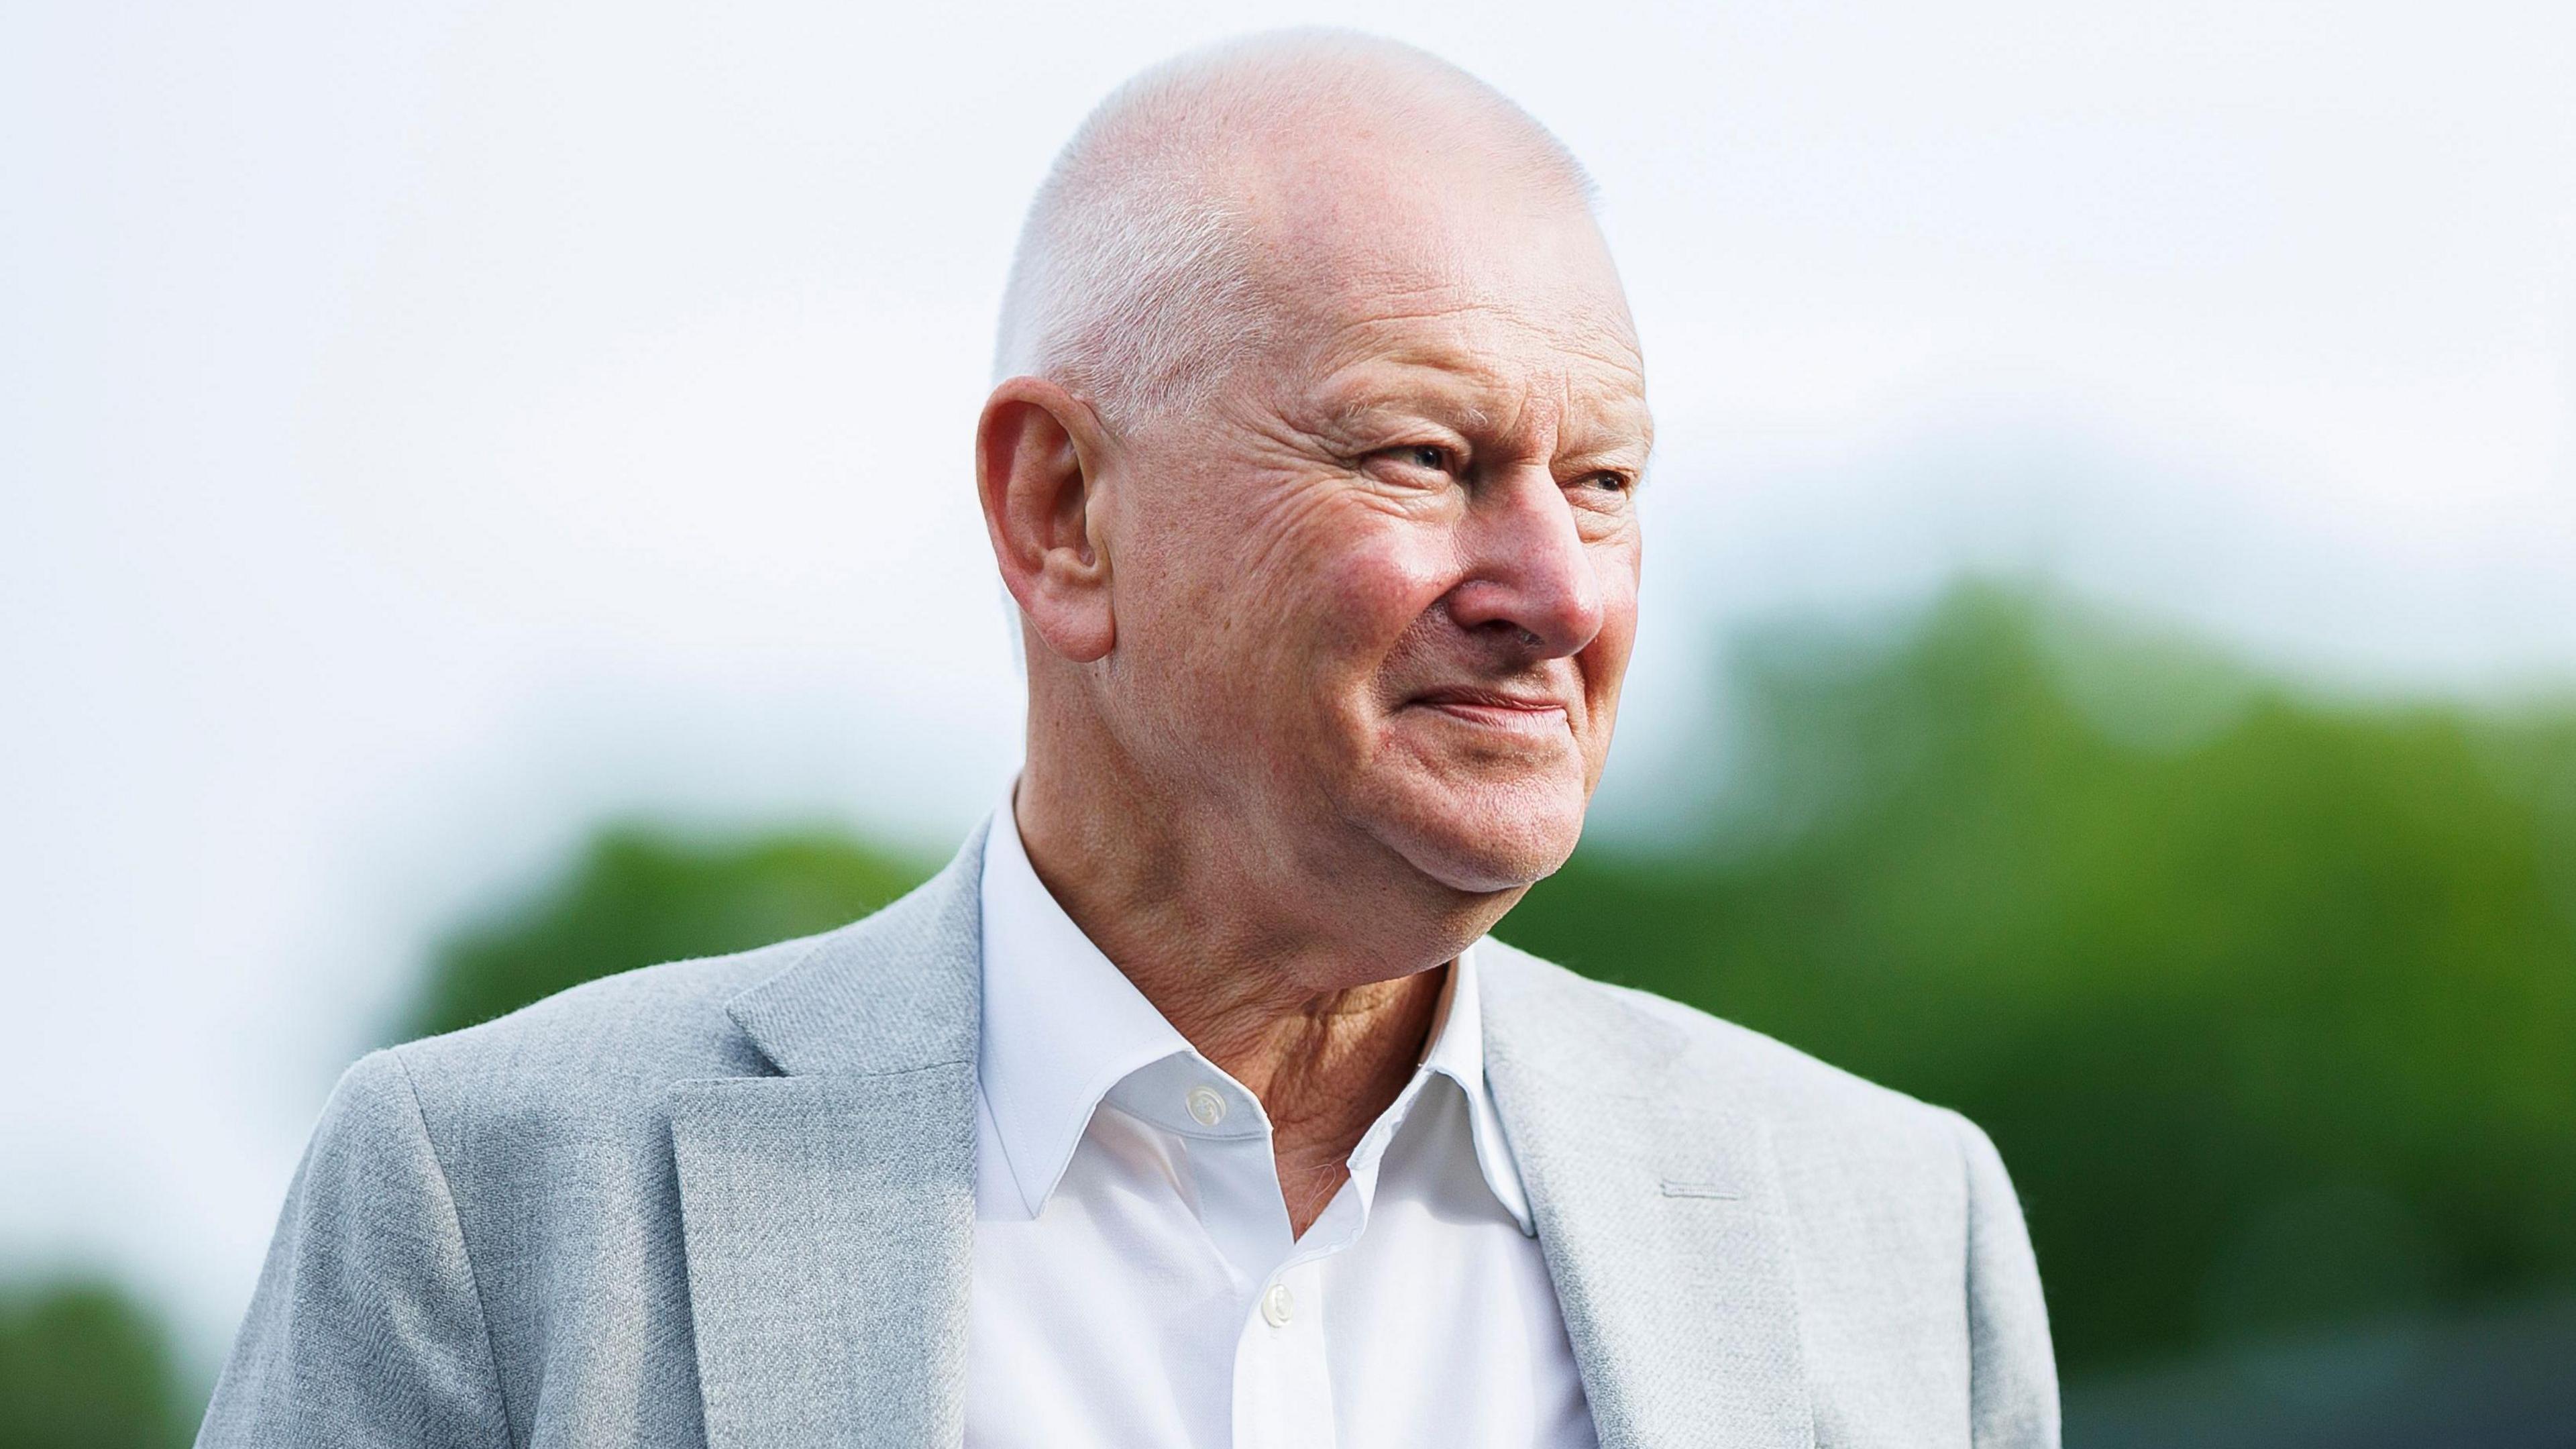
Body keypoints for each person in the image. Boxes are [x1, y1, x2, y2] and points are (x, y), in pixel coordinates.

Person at [199, 30, 2057, 1449]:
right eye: (1425, 457)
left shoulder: (1890, 1235)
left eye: (1606, 483)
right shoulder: (500, 1202)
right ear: (1062, 511)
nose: (1559, 590)